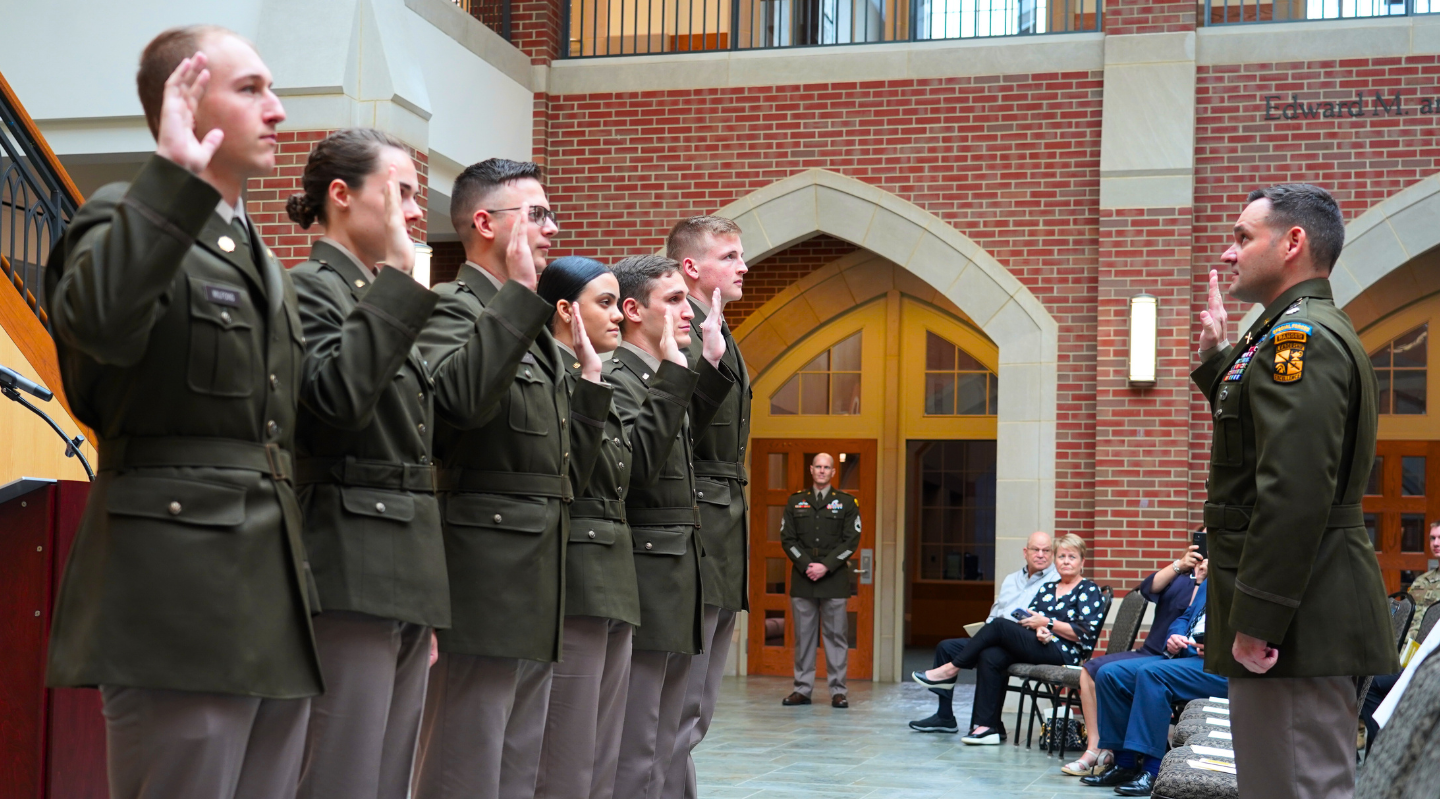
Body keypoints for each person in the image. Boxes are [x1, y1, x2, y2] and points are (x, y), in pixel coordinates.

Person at [42, 26, 321, 799]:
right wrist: (170, 177)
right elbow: (98, 324)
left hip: (270, 599)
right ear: (187, 102)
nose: (279, 111)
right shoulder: (122, 215)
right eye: (252, 89)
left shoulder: (260, 256)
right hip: (177, 600)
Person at [1193, 183, 1399, 799]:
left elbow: (1293, 489)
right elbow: (1261, 438)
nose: (1229, 254)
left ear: (1292, 242)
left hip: (1295, 622)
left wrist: (1259, 618)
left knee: (1296, 787)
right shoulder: (1282, 334)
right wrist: (1217, 363)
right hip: (1294, 616)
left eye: (1242, 238)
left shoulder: (1300, 341)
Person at [413, 160, 609, 799]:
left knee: (518, 765)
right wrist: (522, 298)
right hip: (484, 573)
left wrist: (588, 387)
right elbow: (458, 406)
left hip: (537, 575)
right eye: (537, 215)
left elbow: (565, 472)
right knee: (464, 762)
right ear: (485, 223)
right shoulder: (453, 307)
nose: (551, 230)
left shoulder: (535, 336)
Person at [283, 129, 449, 799]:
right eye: (403, 191)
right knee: (342, 772)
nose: (416, 212)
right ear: (342, 195)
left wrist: (425, 600)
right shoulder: (310, 288)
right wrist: (403, 288)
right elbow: (335, 402)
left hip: (400, 569)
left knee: (385, 778)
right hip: (346, 561)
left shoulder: (378, 295)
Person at [609, 254, 733, 799]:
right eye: (675, 300)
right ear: (633, 309)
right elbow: (639, 467)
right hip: (648, 570)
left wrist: (699, 367)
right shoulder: (619, 376)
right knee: (638, 741)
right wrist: (679, 375)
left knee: (668, 737)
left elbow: (681, 437)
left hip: (678, 572)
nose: (689, 311)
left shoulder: (660, 373)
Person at [531, 257, 636, 799]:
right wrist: (590, 384)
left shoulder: (594, 378)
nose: (618, 316)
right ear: (566, 311)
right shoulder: (557, 379)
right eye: (605, 303)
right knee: (566, 749)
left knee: (601, 745)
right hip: (573, 572)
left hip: (610, 574)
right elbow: (574, 474)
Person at [665, 215, 751, 799]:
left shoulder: (716, 329)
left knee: (697, 707)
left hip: (723, 528)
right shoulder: (678, 330)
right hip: (694, 526)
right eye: (730, 256)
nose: (743, 266)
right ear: (693, 267)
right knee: (677, 703)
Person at [912, 534, 1105, 745]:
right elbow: (1035, 619)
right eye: (1061, 556)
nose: (1066, 561)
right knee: (991, 654)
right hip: (1039, 644)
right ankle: (987, 727)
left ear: (1082, 562)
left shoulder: (1089, 589)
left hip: (1063, 653)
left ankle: (950, 669)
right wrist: (1041, 628)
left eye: (1072, 557)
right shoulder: (1048, 589)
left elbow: (1086, 632)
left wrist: (1048, 623)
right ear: (1055, 560)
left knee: (1000, 625)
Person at [1061, 540, 1205, 776]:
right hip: (1153, 649)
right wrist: (1180, 565)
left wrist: (1201, 580)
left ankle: (1146, 767)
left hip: (1177, 656)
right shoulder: (1181, 575)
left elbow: (1193, 616)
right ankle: (1112, 755)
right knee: (1100, 671)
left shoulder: (1213, 582)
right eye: (1200, 543)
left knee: (1141, 675)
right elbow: (1147, 588)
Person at [1081, 566, 1227, 796]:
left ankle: (1153, 770)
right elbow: (1187, 616)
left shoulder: (1249, 581)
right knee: (1110, 674)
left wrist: (1218, 645)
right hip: (1185, 656)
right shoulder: (1214, 578)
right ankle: (1124, 763)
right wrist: (1174, 636)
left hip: (1220, 666)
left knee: (1153, 674)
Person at [908, 531, 1058, 733]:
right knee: (946, 647)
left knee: (991, 653)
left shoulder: (1056, 581)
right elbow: (995, 614)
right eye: (1036, 549)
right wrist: (982, 632)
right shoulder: (1011, 579)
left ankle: (988, 721)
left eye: (1046, 550)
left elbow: (1050, 620)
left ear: (1052, 553)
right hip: (996, 634)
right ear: (1026, 552)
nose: (1041, 554)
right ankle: (944, 717)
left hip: (1026, 643)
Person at [778, 453, 862, 709]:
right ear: (811, 470)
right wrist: (807, 566)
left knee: (836, 638)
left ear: (833, 472)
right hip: (803, 580)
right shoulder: (796, 501)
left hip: (834, 579)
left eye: (827, 467)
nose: (822, 471)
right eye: (818, 467)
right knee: (804, 637)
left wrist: (826, 566)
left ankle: (838, 691)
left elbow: (852, 540)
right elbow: (787, 539)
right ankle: (802, 689)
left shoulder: (847, 503)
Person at [1361, 518, 1440, 747]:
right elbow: (1410, 627)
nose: (1435, 543)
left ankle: (1386, 748)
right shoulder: (1422, 581)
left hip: (1431, 663)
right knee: (1369, 681)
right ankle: (1384, 747)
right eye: (1432, 538)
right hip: (1409, 658)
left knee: (1373, 684)